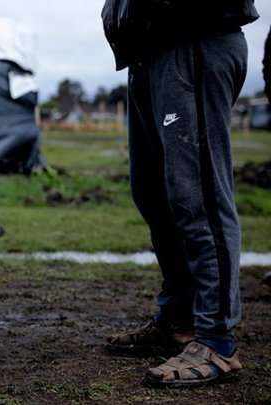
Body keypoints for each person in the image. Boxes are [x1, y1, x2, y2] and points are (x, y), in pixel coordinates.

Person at [101, 0, 259, 387]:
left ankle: (216, 339)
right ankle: (179, 320)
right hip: (146, 49)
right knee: (154, 196)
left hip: (193, 38)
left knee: (198, 196)